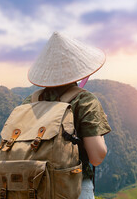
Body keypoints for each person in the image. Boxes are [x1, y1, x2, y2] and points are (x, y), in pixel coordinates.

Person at [22, 32, 111, 199]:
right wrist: (99, 128)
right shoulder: (84, 100)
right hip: (73, 189)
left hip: (32, 189)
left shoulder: (29, 101)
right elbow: (97, 157)